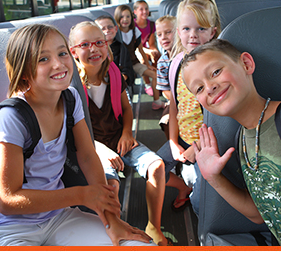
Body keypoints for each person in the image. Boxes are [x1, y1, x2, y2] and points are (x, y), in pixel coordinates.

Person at [0, 23, 156, 247]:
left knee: (138, 246)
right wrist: (82, 196)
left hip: (57, 217)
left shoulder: (70, 98)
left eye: (62, 53)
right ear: (24, 72)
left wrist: (112, 220)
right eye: (43, 59)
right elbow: (7, 200)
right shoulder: (12, 117)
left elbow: (87, 156)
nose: (58, 63)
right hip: (8, 228)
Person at [69, 21, 191, 246]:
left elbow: (126, 109)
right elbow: (75, 134)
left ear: (107, 46)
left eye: (99, 43)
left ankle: (153, 226)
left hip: (119, 138)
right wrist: (101, 150)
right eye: (85, 44)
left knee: (156, 166)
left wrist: (127, 133)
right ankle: (116, 230)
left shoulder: (113, 73)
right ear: (73, 52)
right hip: (92, 147)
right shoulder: (71, 87)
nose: (94, 49)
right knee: (110, 184)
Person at [181, 39, 281, 245]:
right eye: (199, 88)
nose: (209, 87)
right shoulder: (243, 142)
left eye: (216, 72)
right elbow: (260, 212)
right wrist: (213, 178)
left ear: (246, 64)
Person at [156, 0, 221, 214]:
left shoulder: (217, 69)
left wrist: (197, 148)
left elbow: (223, 119)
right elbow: (175, 106)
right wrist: (173, 141)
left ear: (213, 32)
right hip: (183, 137)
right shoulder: (176, 63)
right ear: (178, 32)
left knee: (199, 203)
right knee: (154, 170)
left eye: (201, 29)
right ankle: (183, 187)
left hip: (209, 144)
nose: (193, 35)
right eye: (186, 29)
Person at [114, 4, 165, 110]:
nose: (125, 19)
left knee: (155, 75)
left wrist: (147, 65)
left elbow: (140, 49)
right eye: (122, 17)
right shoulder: (115, 33)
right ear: (118, 18)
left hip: (134, 63)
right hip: (121, 66)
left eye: (128, 16)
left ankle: (157, 101)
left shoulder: (134, 31)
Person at [95, 15, 134, 87]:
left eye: (110, 27)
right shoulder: (94, 50)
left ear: (116, 29)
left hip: (117, 84)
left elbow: (126, 72)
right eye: (102, 29)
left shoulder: (122, 49)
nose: (107, 30)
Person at [155, 15, 177, 139]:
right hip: (174, 100)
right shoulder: (162, 62)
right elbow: (165, 91)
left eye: (168, 32)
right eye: (159, 35)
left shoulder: (187, 55)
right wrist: (178, 101)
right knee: (166, 121)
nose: (163, 37)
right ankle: (173, 143)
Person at [134, 0, 161, 95]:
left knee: (156, 56)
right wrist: (148, 52)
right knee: (142, 59)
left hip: (145, 47)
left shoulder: (151, 24)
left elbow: (152, 43)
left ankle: (157, 81)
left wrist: (154, 51)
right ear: (135, 12)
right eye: (141, 9)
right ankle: (147, 84)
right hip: (135, 49)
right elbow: (136, 46)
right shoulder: (132, 25)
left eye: (146, 9)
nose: (145, 11)